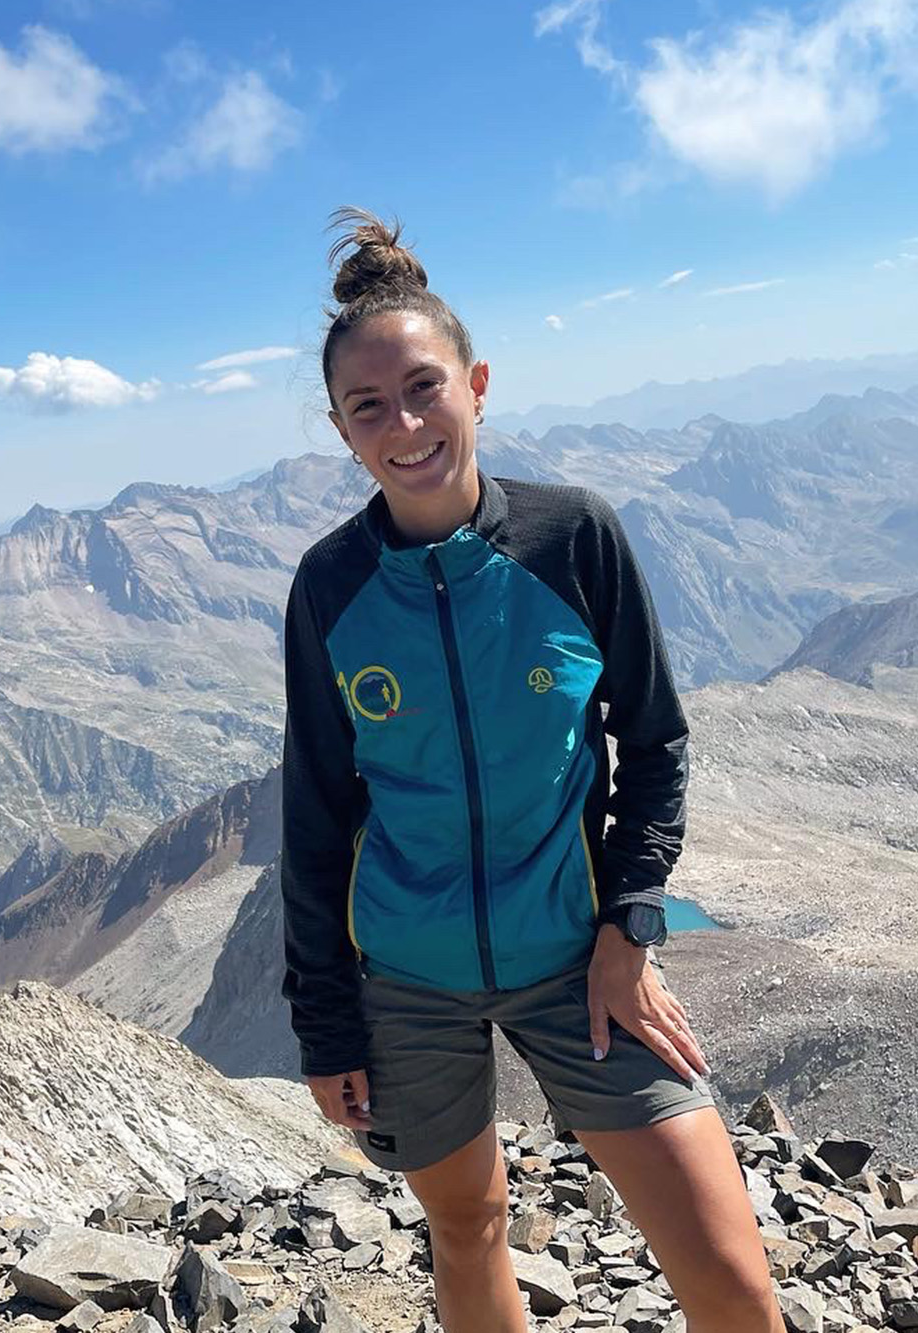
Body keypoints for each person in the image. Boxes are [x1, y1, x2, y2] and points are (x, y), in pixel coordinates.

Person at [279, 207, 786, 1333]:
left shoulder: (573, 538)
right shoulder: (329, 586)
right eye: (369, 406)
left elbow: (652, 740)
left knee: (733, 1281)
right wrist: (326, 1023)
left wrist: (629, 929)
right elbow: (315, 813)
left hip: (576, 962)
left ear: (476, 385)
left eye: (424, 388)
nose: (404, 424)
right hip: (403, 981)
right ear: (341, 431)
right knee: (466, 1227)